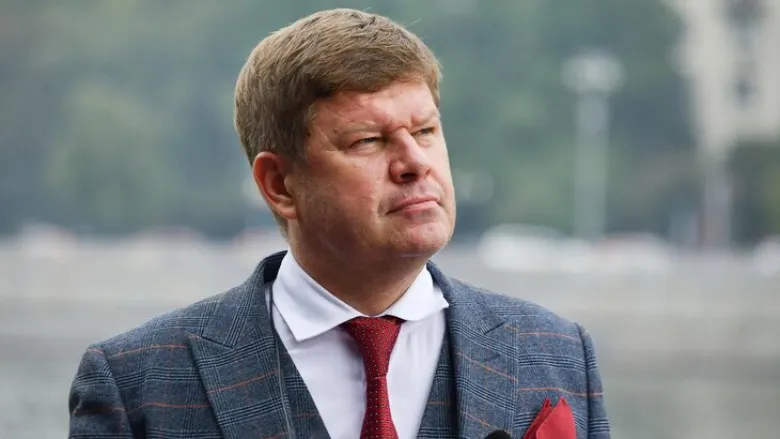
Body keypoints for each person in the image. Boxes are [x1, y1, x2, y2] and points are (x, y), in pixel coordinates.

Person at [68, 8, 610, 439]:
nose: (415, 163)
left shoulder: (558, 354)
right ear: (280, 185)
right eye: (368, 141)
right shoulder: (135, 384)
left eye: (425, 131)